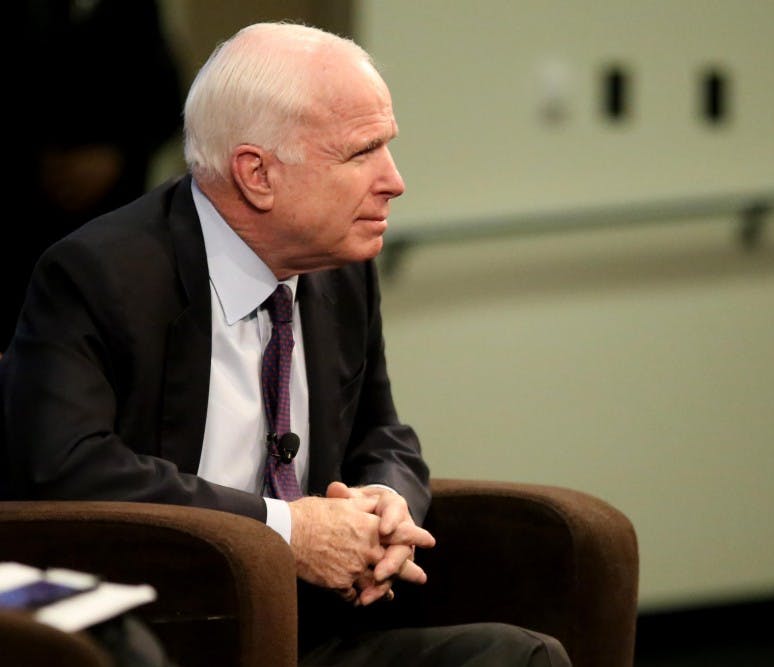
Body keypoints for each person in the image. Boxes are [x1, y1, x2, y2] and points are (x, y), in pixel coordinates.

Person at [0, 21, 570, 667]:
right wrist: (286, 530)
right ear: (257, 174)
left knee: (520, 656)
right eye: (361, 153)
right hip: (170, 631)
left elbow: (383, 432)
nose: (394, 180)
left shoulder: (340, 268)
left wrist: (386, 503)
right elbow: (67, 467)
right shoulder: (101, 273)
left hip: (311, 630)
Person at [5, 0, 185, 348]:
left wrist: (115, 157)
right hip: (28, 212)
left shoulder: (134, 11)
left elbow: (166, 101)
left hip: (112, 209)